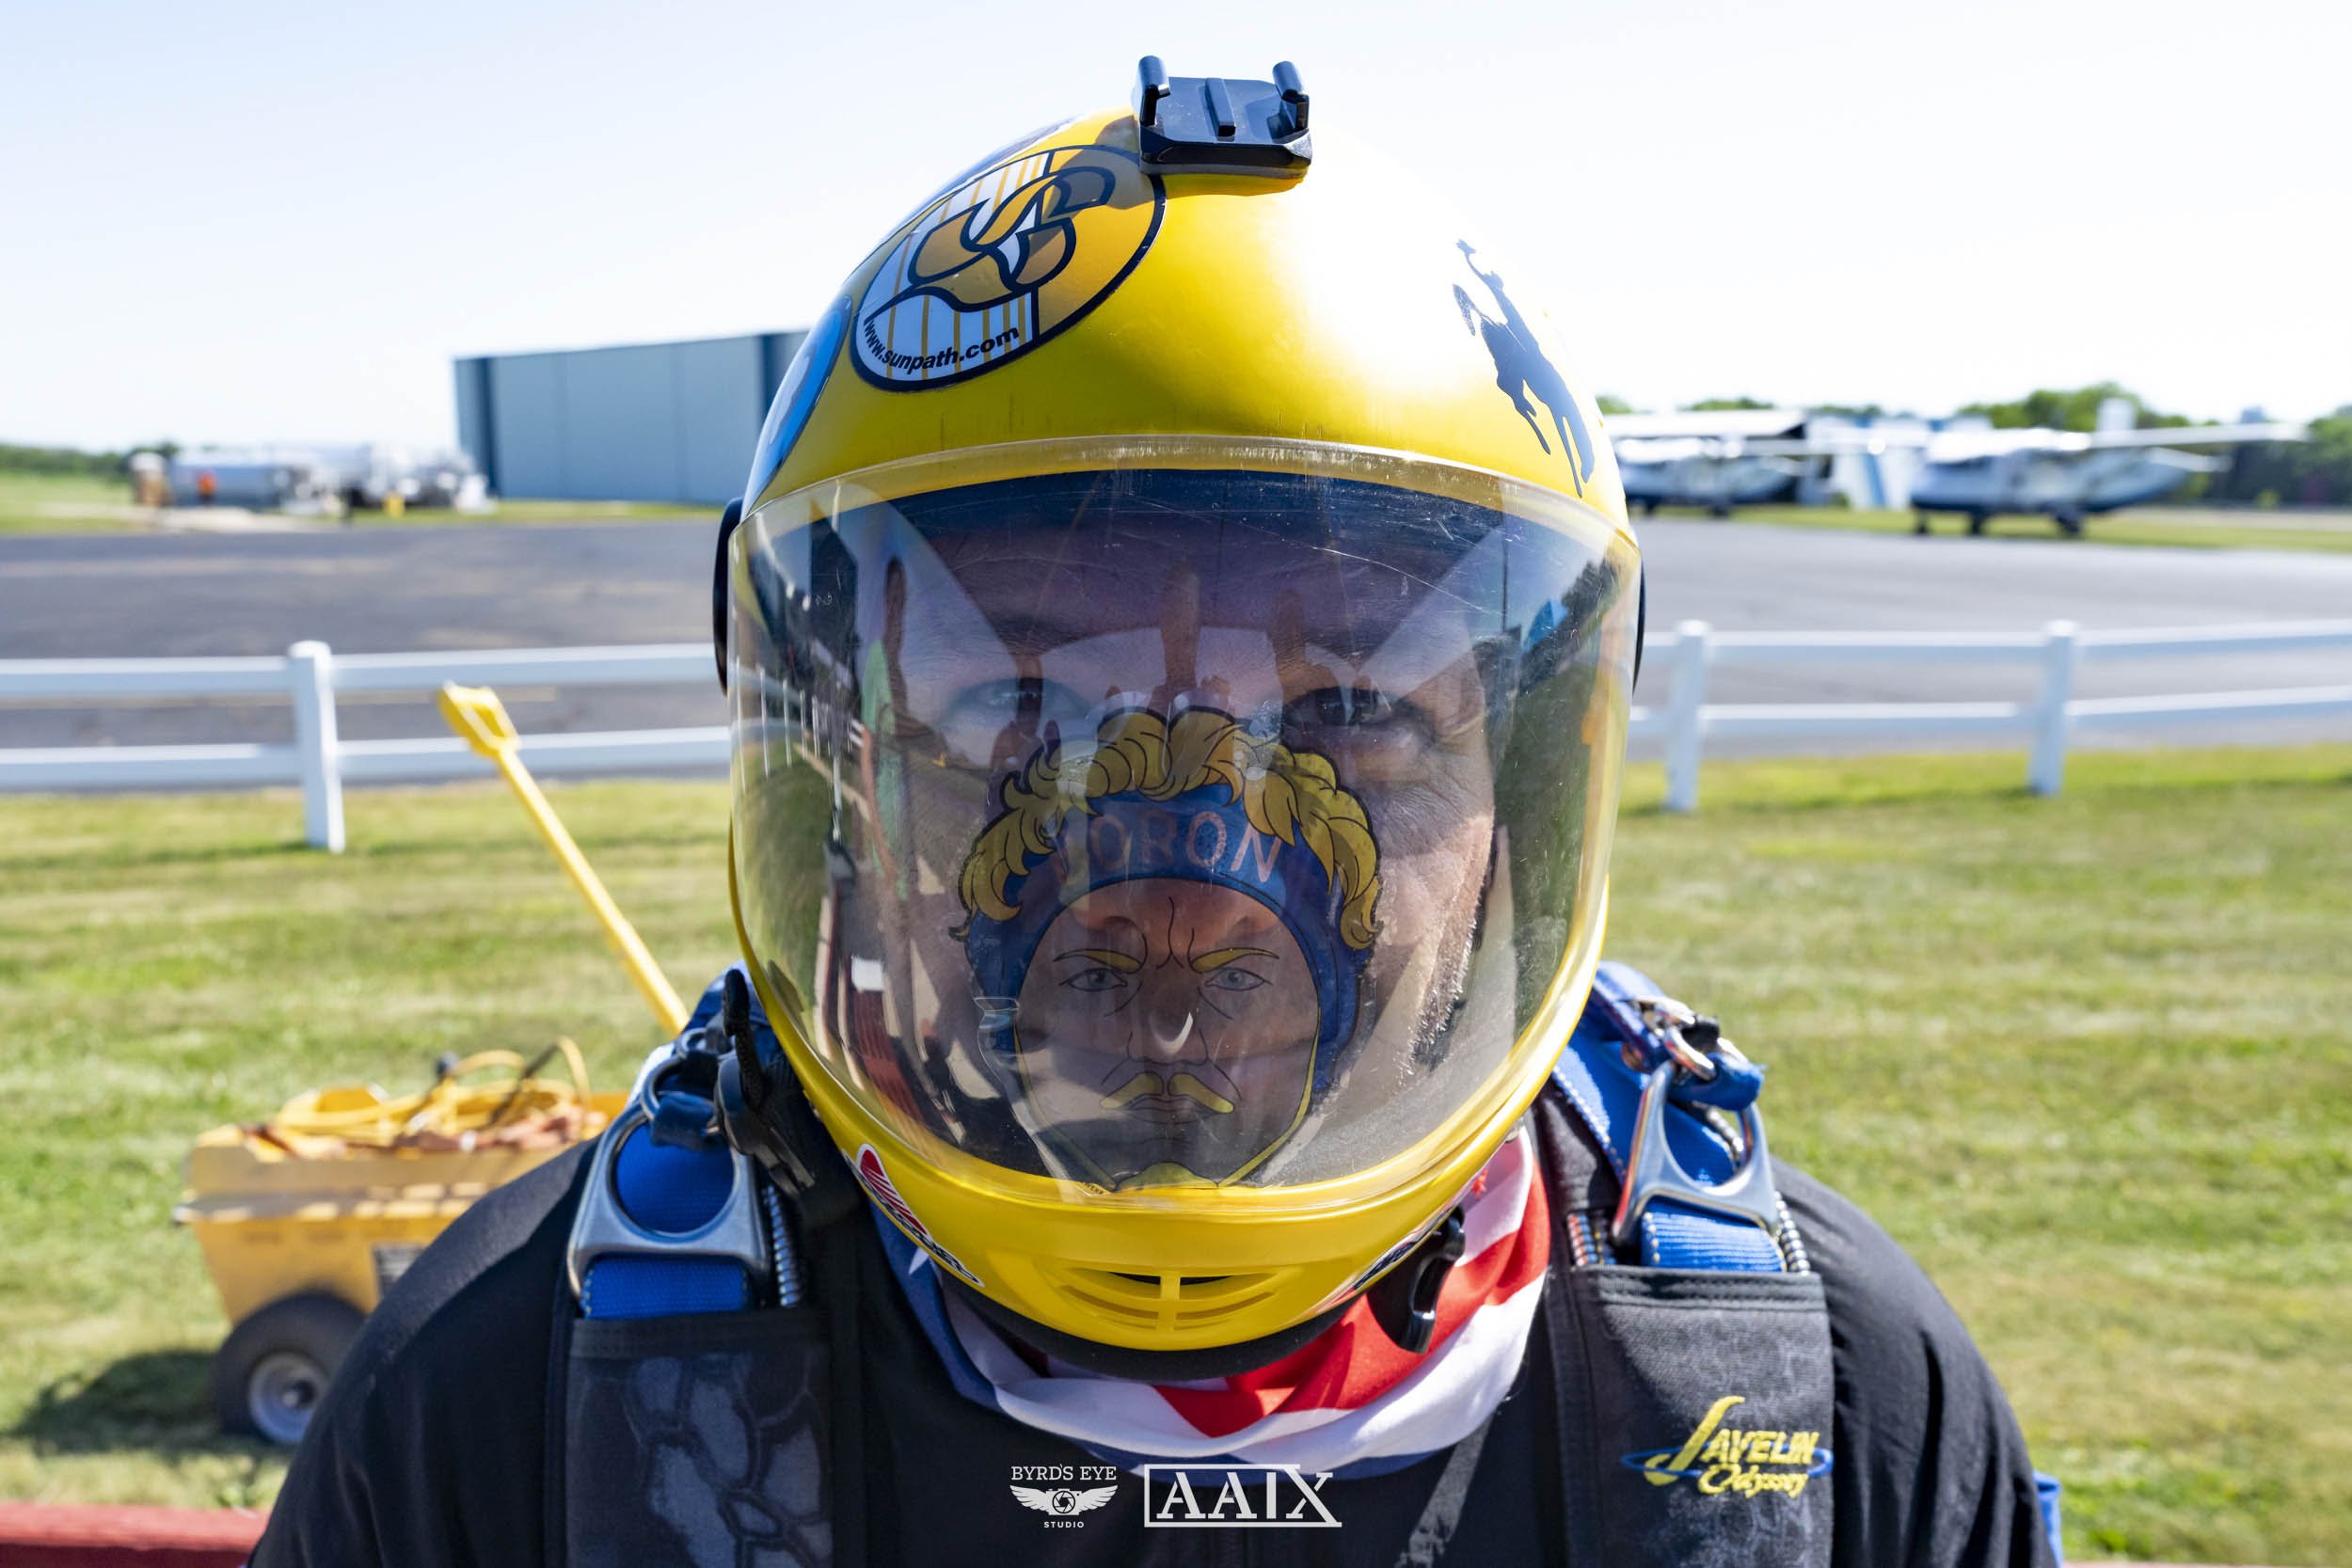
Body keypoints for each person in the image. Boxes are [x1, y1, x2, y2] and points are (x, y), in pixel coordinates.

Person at [252, 59, 2059, 1568]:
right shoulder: (499, 1419)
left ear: (1517, 795)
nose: (1192, 873)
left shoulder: (1826, 1408)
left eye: (1351, 714)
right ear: (844, 779)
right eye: (1019, 708)